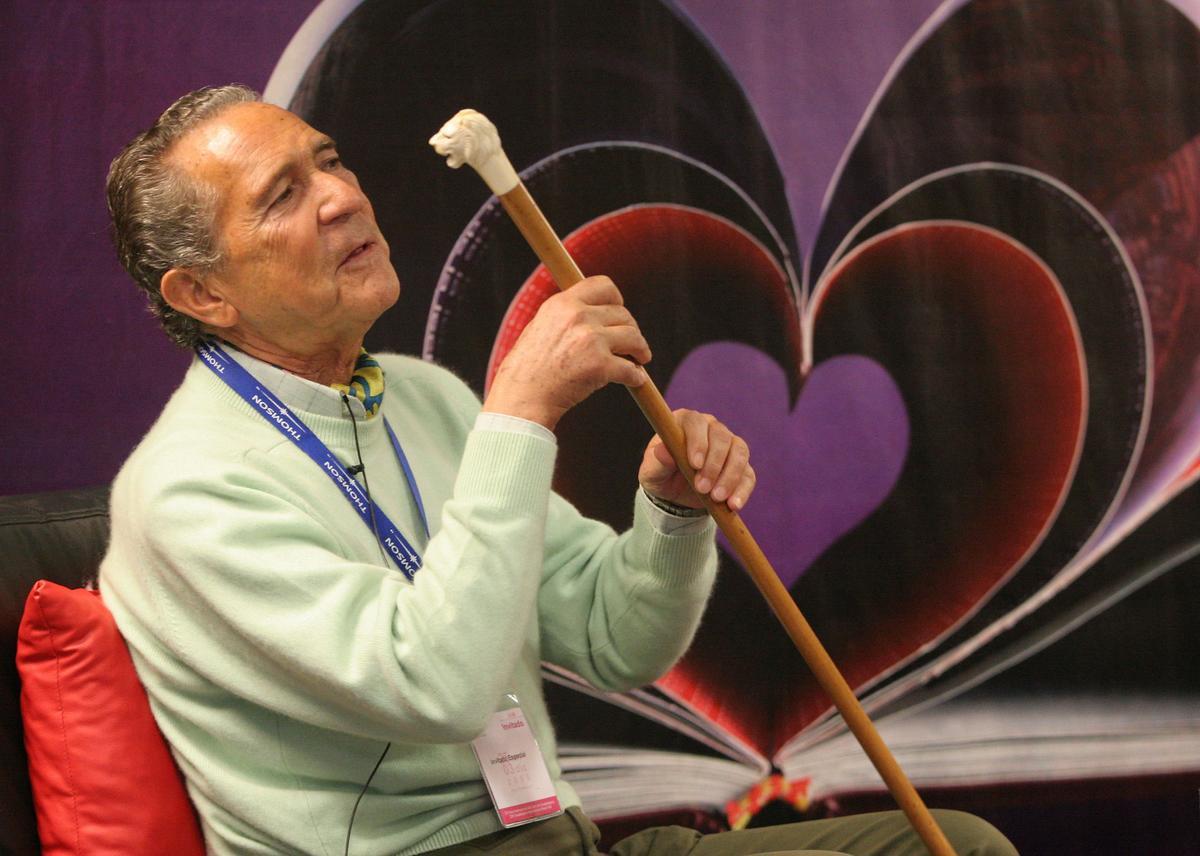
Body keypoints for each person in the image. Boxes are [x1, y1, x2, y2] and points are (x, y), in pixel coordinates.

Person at [99, 85, 1015, 856]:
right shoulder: (186, 488)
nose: (340, 197)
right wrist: (522, 411)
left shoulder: (419, 397)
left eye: (330, 161)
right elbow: (440, 687)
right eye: (282, 195)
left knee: (952, 844)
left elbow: (617, 640)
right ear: (203, 293)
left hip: (562, 836)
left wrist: (670, 514)